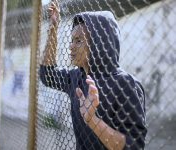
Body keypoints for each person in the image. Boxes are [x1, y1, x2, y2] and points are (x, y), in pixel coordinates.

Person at [39, 1, 147, 149]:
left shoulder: (125, 84)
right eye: (72, 40)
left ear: (99, 43)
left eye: (78, 41)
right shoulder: (76, 77)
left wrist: (92, 120)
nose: (71, 46)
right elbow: (47, 74)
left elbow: (134, 145)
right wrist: (53, 29)